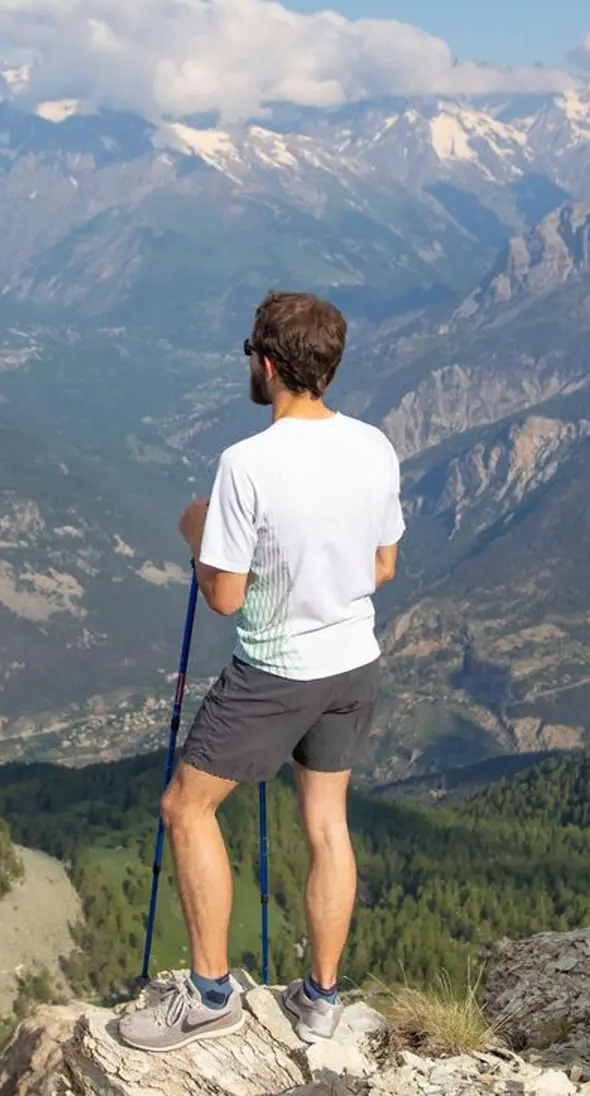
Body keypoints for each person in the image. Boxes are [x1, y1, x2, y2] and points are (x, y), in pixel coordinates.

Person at [118, 289, 405, 1054]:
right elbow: (383, 566)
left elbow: (224, 597)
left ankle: (210, 994)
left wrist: (196, 532)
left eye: (251, 352)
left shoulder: (247, 465)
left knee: (186, 809)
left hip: (278, 670)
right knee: (327, 825)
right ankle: (321, 998)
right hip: (354, 660)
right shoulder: (374, 447)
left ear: (268, 364)